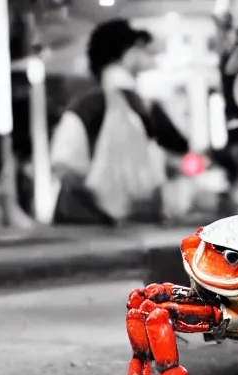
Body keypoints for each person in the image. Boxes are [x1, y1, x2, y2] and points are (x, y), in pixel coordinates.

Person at [48, 19, 190, 225]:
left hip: (104, 229)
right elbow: (65, 169)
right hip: (99, 229)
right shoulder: (113, 107)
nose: (144, 54)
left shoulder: (85, 108)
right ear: (127, 53)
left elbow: (64, 167)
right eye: (138, 48)